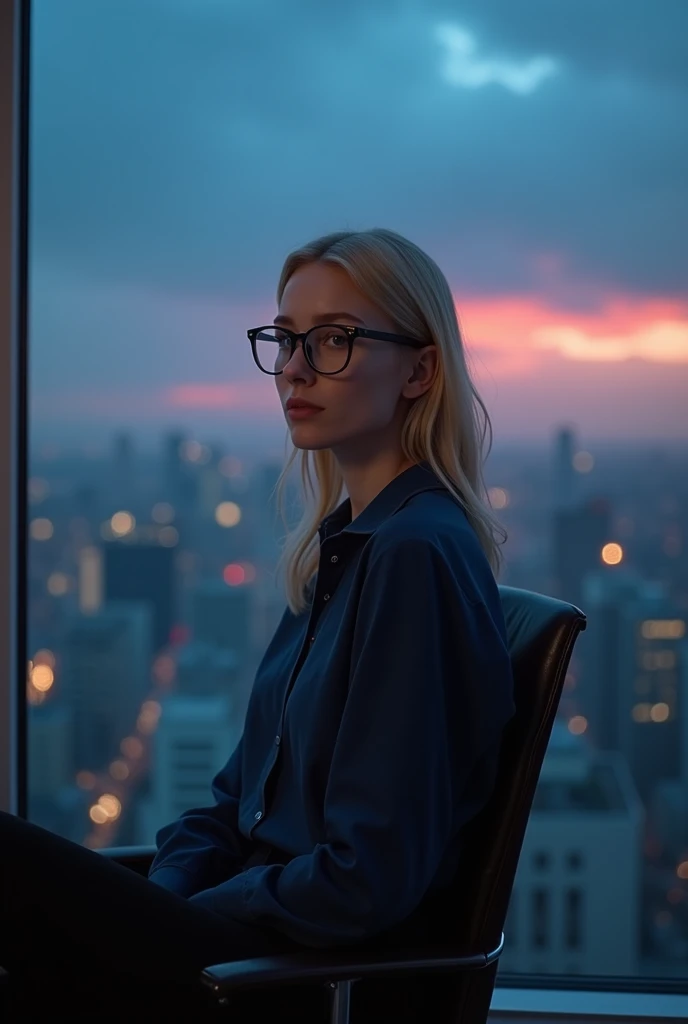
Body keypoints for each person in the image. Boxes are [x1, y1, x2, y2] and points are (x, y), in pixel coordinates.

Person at [0, 227, 515, 1022]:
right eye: (284, 340)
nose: (295, 368)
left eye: (334, 340)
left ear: (421, 370)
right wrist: (158, 904)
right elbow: (236, 798)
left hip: (281, 979)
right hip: (231, 946)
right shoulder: (343, 548)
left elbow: (367, 877)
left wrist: (185, 915)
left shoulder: (415, 557)